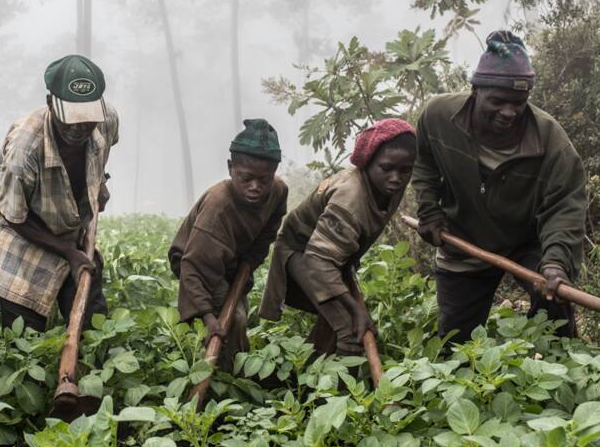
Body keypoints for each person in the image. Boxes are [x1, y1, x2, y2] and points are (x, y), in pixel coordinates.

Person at [413, 30, 586, 344]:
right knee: (456, 342)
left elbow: (566, 207)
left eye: (518, 103)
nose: (509, 112)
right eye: (497, 101)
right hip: (463, 236)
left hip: (526, 239)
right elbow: (423, 160)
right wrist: (429, 209)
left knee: (556, 314)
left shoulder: (552, 143)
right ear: (475, 90)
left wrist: (557, 261)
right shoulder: (437, 116)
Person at [259, 119, 416, 357]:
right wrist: (356, 309)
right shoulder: (350, 198)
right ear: (367, 163)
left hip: (333, 257)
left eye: (405, 171)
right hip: (301, 252)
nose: (396, 178)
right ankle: (337, 393)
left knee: (334, 320)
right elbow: (318, 261)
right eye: (387, 168)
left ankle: (305, 374)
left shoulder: (388, 184)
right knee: (351, 329)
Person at [0, 54, 118, 332]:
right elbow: (13, 215)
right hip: (24, 239)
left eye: (87, 120)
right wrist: (67, 253)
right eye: (71, 119)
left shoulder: (106, 120)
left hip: (73, 233)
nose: (79, 128)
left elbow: (103, 150)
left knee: (93, 329)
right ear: (50, 103)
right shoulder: (24, 149)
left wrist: (100, 183)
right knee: (23, 338)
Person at [168, 119, 288, 370]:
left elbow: (268, 231)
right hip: (194, 261)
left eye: (264, 180)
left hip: (233, 259)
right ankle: (216, 375)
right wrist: (208, 316)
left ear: (273, 174)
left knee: (236, 318)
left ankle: (234, 372)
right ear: (231, 167)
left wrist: (249, 263)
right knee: (228, 320)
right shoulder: (217, 208)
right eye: (246, 178)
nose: (255, 187)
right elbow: (193, 267)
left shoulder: (277, 191)